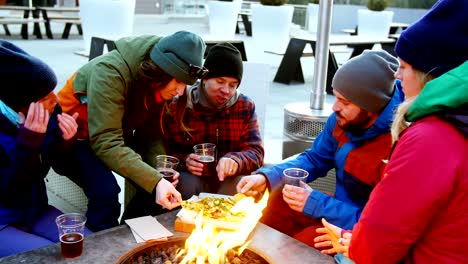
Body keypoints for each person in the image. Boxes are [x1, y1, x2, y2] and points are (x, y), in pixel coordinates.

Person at [315, 0, 468, 263]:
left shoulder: (430, 138)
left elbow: (376, 244)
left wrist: (351, 243)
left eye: (404, 67)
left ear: (432, 75)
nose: (397, 76)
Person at [237, 50, 403, 247]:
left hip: (356, 231)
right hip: (332, 207)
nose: (334, 108)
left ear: (371, 107)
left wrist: (315, 203)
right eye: (336, 98)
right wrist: (266, 178)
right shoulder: (342, 120)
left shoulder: (400, 144)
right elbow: (315, 159)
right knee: (271, 204)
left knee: (299, 247)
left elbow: (381, 225)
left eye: (345, 102)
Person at [56, 31, 206, 221]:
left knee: (156, 181)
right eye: (178, 81)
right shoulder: (109, 71)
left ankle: (132, 232)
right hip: (70, 139)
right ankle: (100, 247)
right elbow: (105, 141)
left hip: (113, 131)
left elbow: (150, 134)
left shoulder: (155, 79)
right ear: (161, 70)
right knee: (107, 194)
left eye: (186, 84)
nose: (179, 91)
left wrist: (158, 171)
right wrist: (154, 179)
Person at [0, 41, 91, 257]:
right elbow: (9, 194)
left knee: (92, 248)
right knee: (49, 259)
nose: (55, 100)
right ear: (21, 104)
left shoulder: (46, 113)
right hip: (3, 220)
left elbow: (51, 167)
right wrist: (28, 145)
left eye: (53, 90)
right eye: (45, 97)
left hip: (36, 210)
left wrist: (64, 142)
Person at [163, 42, 264, 199]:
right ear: (204, 78)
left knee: (244, 186)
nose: (226, 90)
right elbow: (165, 150)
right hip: (191, 179)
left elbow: (256, 152)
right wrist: (186, 160)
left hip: (228, 180)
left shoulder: (244, 105)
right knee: (183, 184)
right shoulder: (178, 104)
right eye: (220, 81)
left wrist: (235, 160)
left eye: (233, 85)